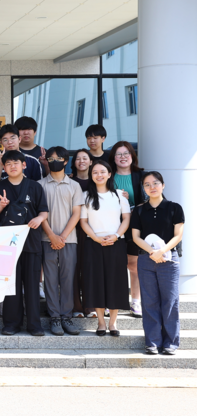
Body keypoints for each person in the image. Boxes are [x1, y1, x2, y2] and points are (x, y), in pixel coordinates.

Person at [0, 150, 49, 336]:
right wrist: (1, 206)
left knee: (32, 285)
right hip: (7, 244)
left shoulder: (34, 186)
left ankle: (34, 325)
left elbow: (43, 211)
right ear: (4, 167)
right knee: (11, 285)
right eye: (8, 164)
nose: (12, 166)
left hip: (31, 241)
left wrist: (39, 219)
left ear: (24, 165)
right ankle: (11, 324)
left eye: (16, 163)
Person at [131, 172, 185, 355]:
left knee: (170, 301)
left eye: (155, 183)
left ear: (163, 185)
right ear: (143, 189)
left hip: (169, 259)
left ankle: (171, 343)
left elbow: (178, 235)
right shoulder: (139, 210)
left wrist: (162, 251)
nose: (152, 187)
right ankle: (152, 342)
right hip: (146, 260)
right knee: (149, 302)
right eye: (147, 184)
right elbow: (135, 237)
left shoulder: (174, 208)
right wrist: (152, 252)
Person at [80, 160, 131, 337]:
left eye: (102, 172)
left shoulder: (119, 195)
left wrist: (116, 235)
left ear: (109, 174)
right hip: (93, 244)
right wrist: (95, 237)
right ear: (91, 175)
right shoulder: (86, 196)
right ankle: (101, 322)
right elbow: (83, 222)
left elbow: (126, 219)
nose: (99, 175)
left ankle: (113, 322)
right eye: (95, 172)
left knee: (115, 282)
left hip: (116, 243)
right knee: (96, 282)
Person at [38, 146, 83, 336]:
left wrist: (62, 236)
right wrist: (52, 236)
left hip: (69, 240)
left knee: (67, 279)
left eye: (58, 159)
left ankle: (66, 316)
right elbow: (40, 214)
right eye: (50, 159)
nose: (54, 161)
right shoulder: (39, 185)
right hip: (45, 239)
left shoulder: (74, 185)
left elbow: (77, 213)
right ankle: (54, 317)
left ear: (65, 161)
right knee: (49, 279)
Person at [109, 141, 146, 318]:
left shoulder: (141, 176)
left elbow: (150, 200)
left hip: (135, 226)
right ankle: (111, 301)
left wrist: (132, 204)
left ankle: (135, 301)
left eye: (126, 153)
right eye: (119, 154)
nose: (123, 157)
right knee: (113, 265)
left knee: (134, 265)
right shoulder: (108, 175)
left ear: (132, 156)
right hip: (112, 225)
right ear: (113, 158)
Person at [69, 148, 95, 318]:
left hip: (93, 231)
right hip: (73, 229)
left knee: (89, 268)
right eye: (78, 158)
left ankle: (90, 306)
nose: (81, 161)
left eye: (85, 158)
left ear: (91, 162)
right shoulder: (69, 181)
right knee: (73, 268)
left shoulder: (97, 181)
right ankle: (76, 306)